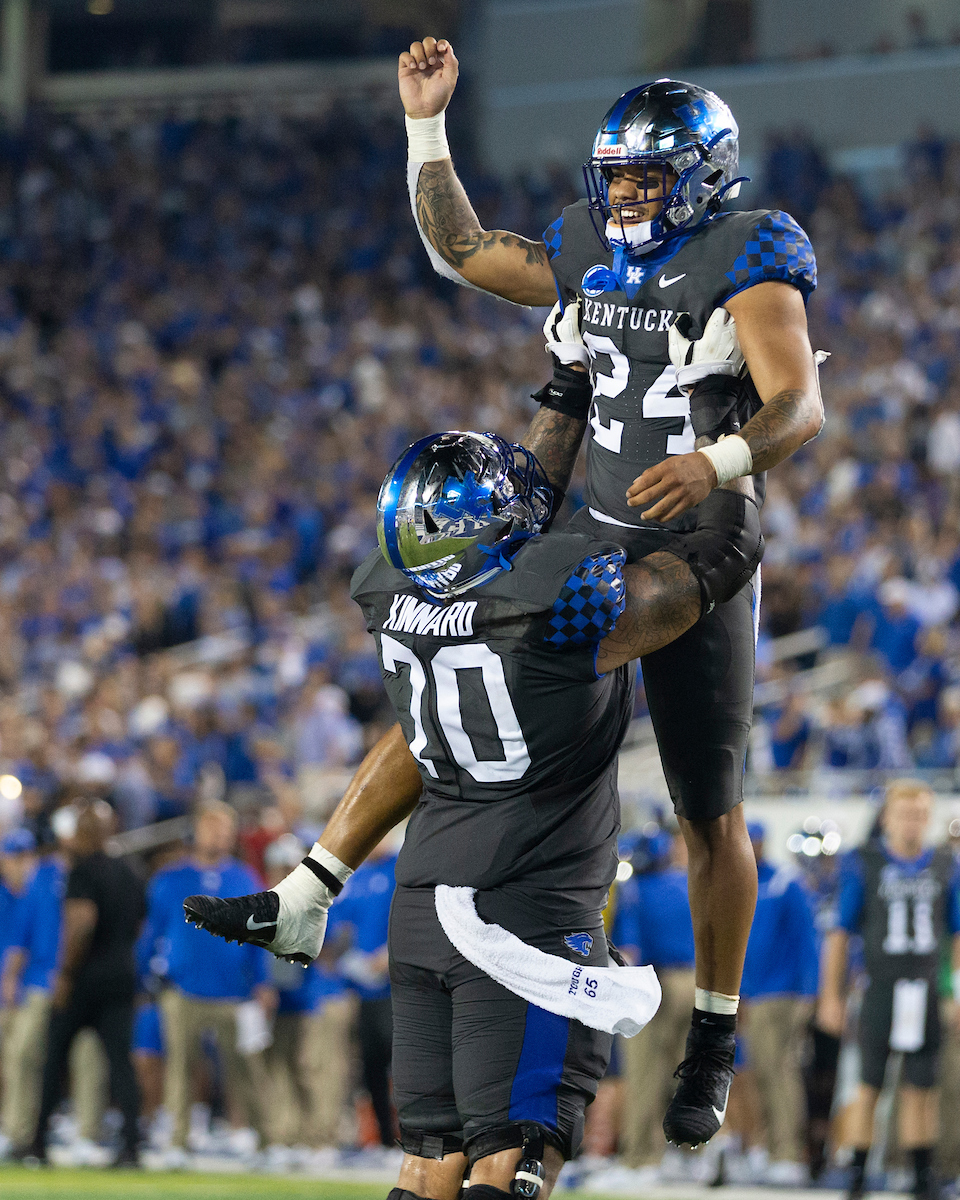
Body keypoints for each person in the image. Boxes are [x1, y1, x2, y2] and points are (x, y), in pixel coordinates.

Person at [397, 36, 823, 1146]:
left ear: (704, 171)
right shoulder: (586, 243)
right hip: (597, 525)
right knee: (476, 657)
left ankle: (714, 1034)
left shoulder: (752, 251)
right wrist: (427, 124)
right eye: (620, 174)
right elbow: (463, 250)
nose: (629, 192)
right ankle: (358, 885)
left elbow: (800, 406)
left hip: (701, 537)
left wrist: (720, 461)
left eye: (649, 173)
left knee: (706, 807)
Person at [184, 428, 762, 1200]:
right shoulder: (564, 609)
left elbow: (503, 548)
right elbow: (721, 557)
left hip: (421, 908)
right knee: (511, 1162)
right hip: (521, 918)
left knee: (428, 1168)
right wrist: (730, 458)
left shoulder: (397, 597)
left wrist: (565, 394)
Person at [818, 780, 960, 1200]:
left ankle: (921, 1176)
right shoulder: (866, 862)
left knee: (923, 1086)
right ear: (887, 817)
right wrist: (831, 995)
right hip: (880, 987)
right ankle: (859, 1175)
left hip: (928, 988)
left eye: (919, 814)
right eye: (904, 813)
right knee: (868, 1085)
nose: (912, 822)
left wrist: (953, 992)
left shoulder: (945, 864)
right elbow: (839, 934)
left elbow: (956, 935)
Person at [141, 799, 276, 1168]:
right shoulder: (170, 879)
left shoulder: (245, 878)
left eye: (224, 829)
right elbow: (152, 932)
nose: (218, 835)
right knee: (180, 1070)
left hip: (235, 991)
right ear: (196, 830)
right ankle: (178, 1142)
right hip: (182, 988)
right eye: (211, 827)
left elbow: (262, 935)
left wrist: (263, 982)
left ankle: (266, 1143)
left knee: (247, 1071)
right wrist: (144, 977)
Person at [23, 800, 146, 1167]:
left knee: (53, 1059)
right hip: (122, 975)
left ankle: (37, 1143)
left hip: (86, 979)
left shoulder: (81, 871)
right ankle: (131, 1146)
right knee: (120, 1065)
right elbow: (139, 925)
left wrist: (64, 974)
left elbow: (80, 924)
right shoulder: (130, 871)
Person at [609, 826, 695, 1179]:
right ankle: (691, 1153)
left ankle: (640, 1157)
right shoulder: (685, 884)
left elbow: (629, 951)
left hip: (651, 982)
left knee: (644, 1072)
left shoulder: (636, 890)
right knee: (685, 1071)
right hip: (693, 981)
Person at [738, 820, 819, 1186]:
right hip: (754, 994)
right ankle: (769, 1147)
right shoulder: (741, 881)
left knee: (780, 1072)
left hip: (782, 993)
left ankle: (788, 1152)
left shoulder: (785, 881)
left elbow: (807, 940)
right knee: (759, 1074)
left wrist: (809, 992)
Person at [326, 838, 398, 1151]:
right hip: (359, 990)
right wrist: (345, 958)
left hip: (397, 988)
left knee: (405, 1069)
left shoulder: (401, 865)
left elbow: (419, 914)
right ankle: (382, 1140)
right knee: (370, 1070)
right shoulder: (353, 875)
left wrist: (391, 953)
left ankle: (412, 1140)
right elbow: (340, 929)